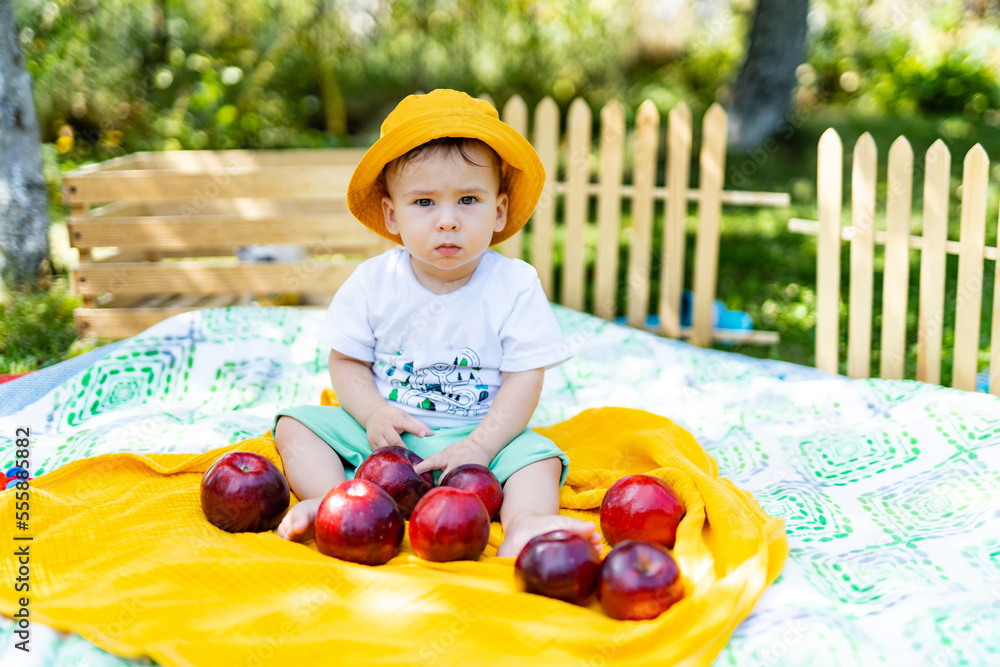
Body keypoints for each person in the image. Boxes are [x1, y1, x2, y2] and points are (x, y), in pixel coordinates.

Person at [272, 89, 599, 558]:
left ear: (499, 210)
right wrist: (371, 414)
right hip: (389, 436)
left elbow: (525, 377)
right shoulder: (373, 281)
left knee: (539, 457)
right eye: (424, 203)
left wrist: (482, 447)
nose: (447, 221)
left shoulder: (515, 284)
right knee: (296, 426)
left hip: (480, 435)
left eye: (468, 199)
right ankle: (332, 501)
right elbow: (345, 361)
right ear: (392, 214)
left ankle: (526, 523)